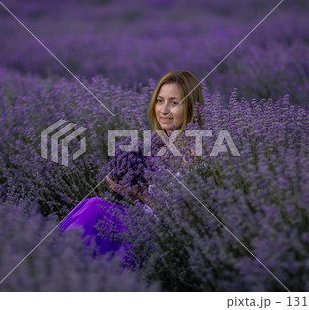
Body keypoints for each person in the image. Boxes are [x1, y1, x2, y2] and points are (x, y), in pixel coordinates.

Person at [59, 70, 205, 263]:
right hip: (139, 222)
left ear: (191, 108)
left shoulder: (196, 152)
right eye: (160, 101)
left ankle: (54, 266)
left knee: (94, 209)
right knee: (92, 204)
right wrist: (126, 190)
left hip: (160, 238)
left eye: (174, 102)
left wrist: (140, 195)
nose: (164, 110)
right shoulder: (158, 144)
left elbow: (180, 220)